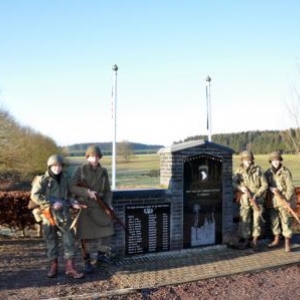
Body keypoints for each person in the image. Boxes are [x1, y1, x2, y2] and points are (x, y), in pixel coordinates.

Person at [30, 154, 84, 279]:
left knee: (69, 240)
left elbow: (68, 195)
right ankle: (53, 267)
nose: (57, 168)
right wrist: (51, 204)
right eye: (54, 166)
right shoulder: (42, 179)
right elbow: (35, 196)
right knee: (51, 240)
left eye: (59, 166)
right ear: (50, 166)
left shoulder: (65, 179)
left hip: (64, 215)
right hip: (48, 215)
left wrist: (73, 202)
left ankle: (70, 268)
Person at [69, 145, 115, 274]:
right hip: (86, 206)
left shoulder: (103, 171)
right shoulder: (81, 170)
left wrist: (108, 205)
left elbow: (107, 191)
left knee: (108, 229)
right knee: (85, 236)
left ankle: (101, 256)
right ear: (87, 157)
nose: (94, 159)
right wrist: (86, 192)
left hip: (99, 205)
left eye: (96, 156)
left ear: (99, 157)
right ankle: (87, 262)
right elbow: (72, 187)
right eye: (91, 156)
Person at [232, 150, 268, 250]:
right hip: (245, 199)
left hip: (257, 199)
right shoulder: (239, 170)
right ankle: (247, 240)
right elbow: (233, 183)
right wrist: (240, 188)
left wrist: (257, 194)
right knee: (245, 220)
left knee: (257, 220)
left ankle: (255, 241)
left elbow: (265, 185)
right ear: (242, 160)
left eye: (250, 160)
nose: (248, 162)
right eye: (246, 160)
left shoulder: (258, 170)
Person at [264, 151, 295, 252]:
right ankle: (276, 239)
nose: (276, 162)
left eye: (277, 160)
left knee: (286, 221)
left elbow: (290, 187)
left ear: (280, 161)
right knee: (274, 221)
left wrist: (287, 199)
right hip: (272, 201)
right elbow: (263, 184)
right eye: (274, 160)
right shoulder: (267, 173)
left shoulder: (286, 172)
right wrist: (269, 188)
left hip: (283, 200)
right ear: (271, 161)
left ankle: (287, 242)